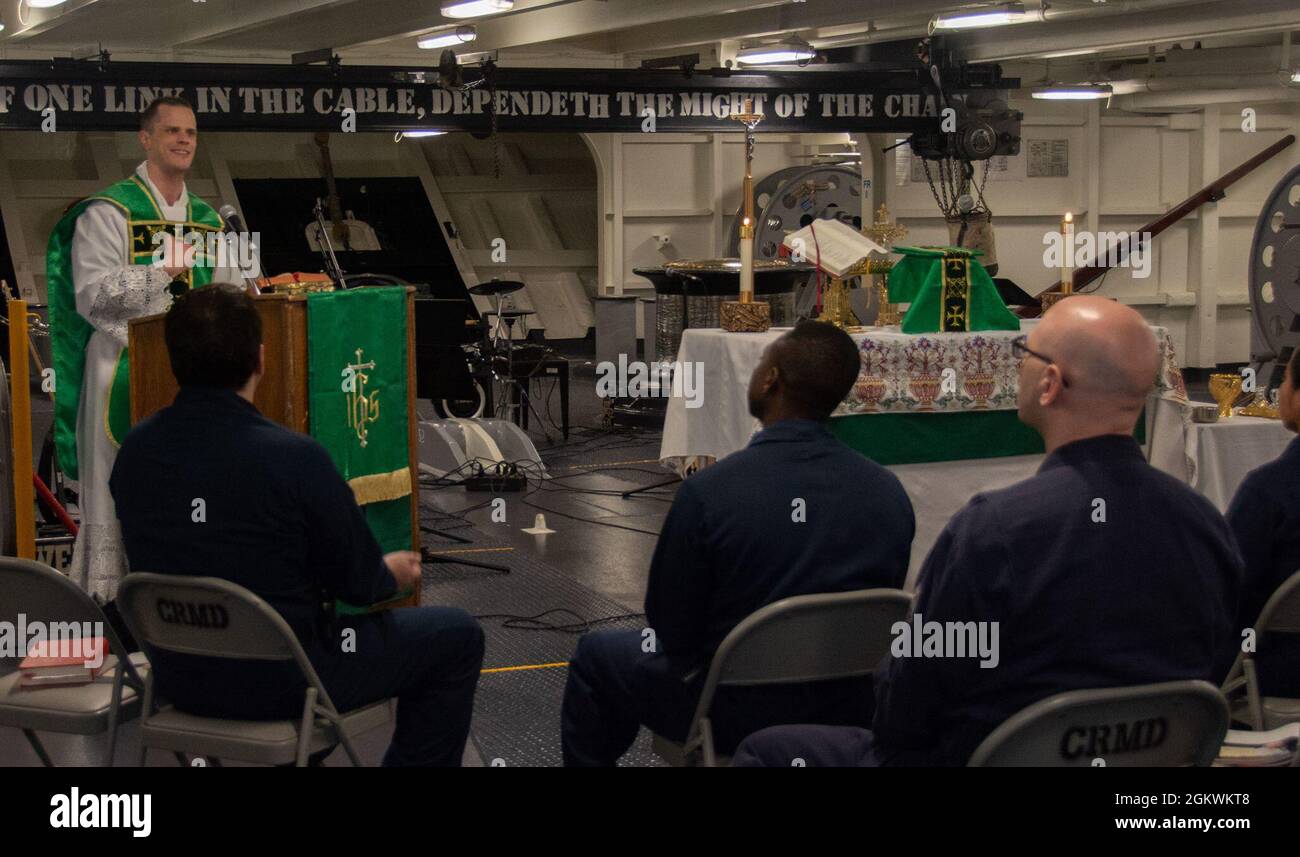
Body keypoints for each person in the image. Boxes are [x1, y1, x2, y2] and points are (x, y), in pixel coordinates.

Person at [733, 296, 1243, 767]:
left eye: (1026, 352)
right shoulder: (1206, 525)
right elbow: (1213, 669)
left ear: (1051, 384)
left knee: (766, 749)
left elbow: (908, 703)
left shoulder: (995, 532)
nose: (1018, 363)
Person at [110, 285, 484, 766]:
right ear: (260, 359)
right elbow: (362, 585)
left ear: (173, 359)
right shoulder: (295, 458)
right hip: (284, 682)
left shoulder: (136, 452)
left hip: (178, 677)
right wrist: (392, 570)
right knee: (455, 635)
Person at [560, 320, 915, 766]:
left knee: (598, 654)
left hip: (727, 709)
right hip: (849, 707)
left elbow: (670, 627)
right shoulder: (887, 492)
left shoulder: (709, 492)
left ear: (770, 379)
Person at [48, 95, 242, 608]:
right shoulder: (109, 212)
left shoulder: (208, 219)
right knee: (116, 488)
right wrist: (163, 272)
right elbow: (93, 296)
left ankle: (182, 597)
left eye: (191, 133)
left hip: (194, 381)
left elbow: (230, 294)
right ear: (146, 138)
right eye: (172, 131)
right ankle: (112, 608)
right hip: (119, 369)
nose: (183, 140)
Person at [1226, 347, 1300, 697]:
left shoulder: (1269, 490)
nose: (1281, 390)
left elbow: (1229, 593)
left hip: (1279, 674)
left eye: (1285, 380)